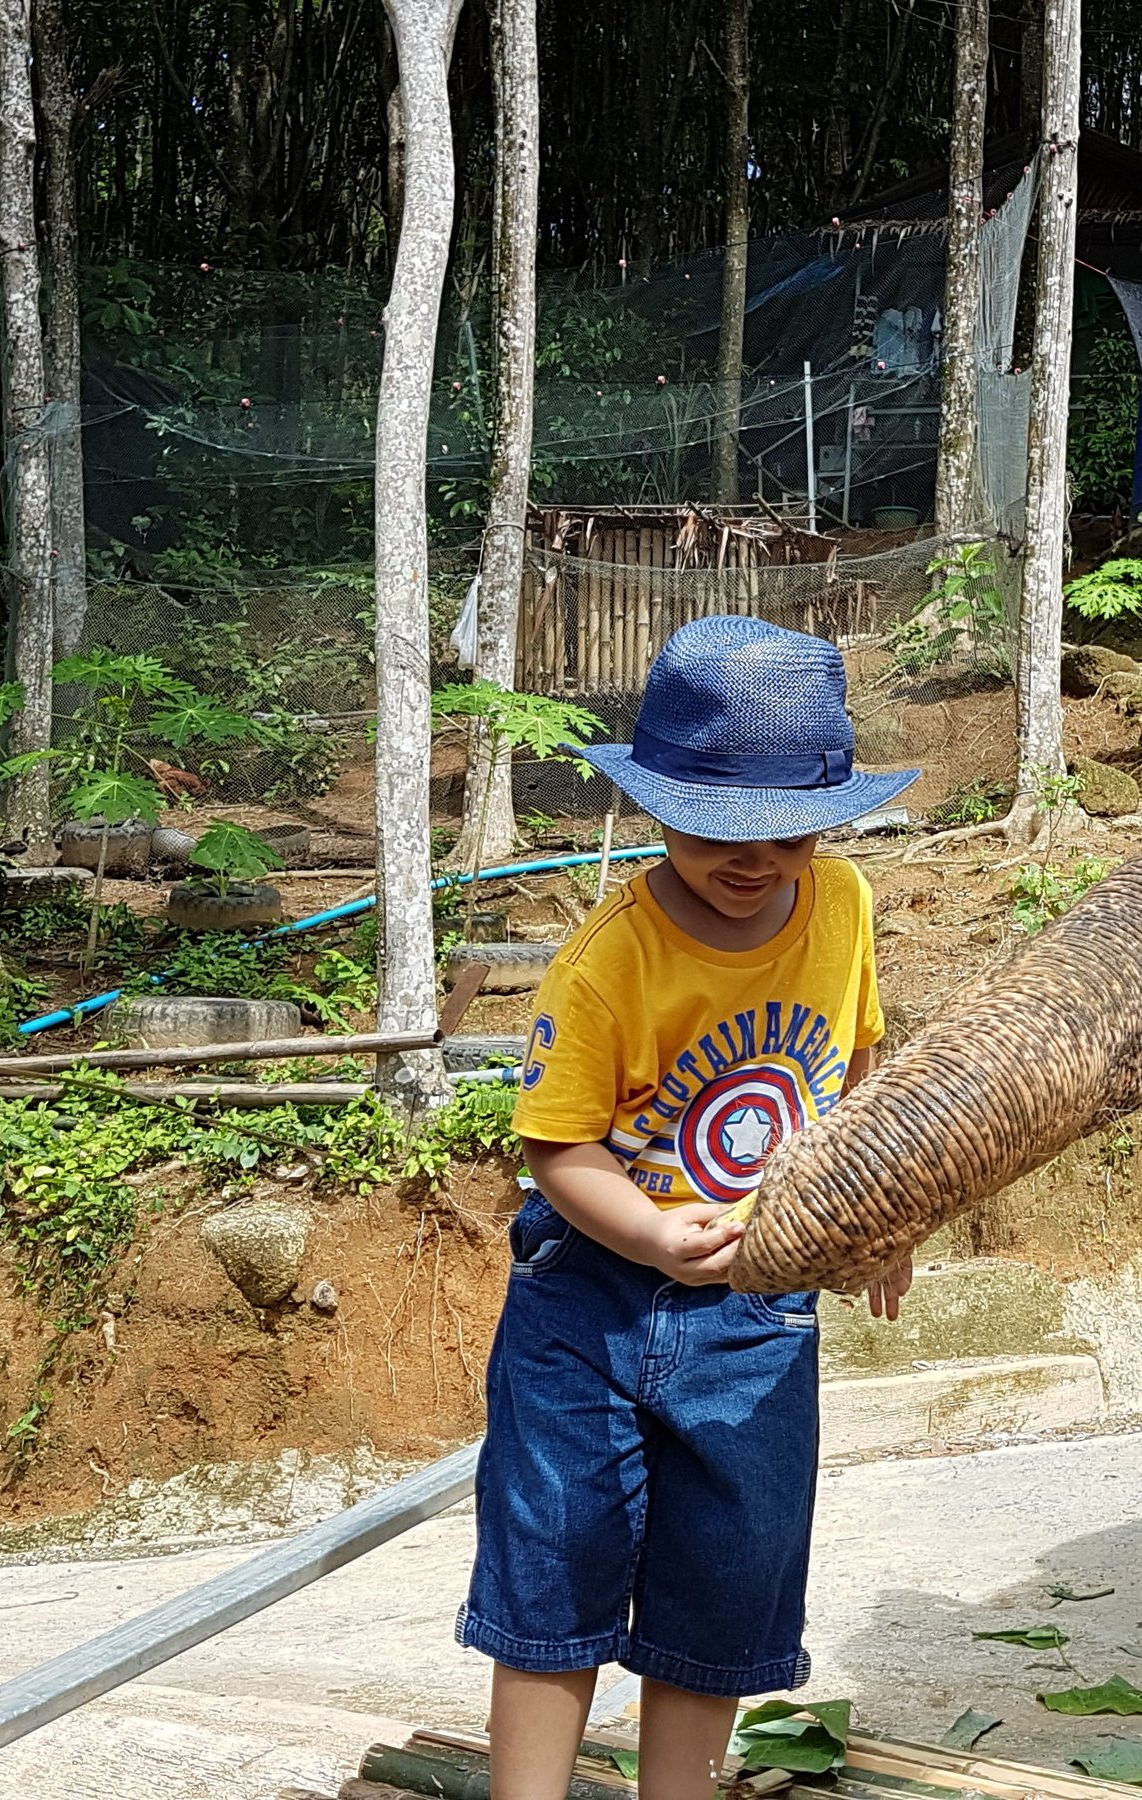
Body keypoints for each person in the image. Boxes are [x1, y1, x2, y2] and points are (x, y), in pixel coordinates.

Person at [459, 615, 920, 1800]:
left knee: (725, 1576)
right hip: (591, 1304)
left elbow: (860, 1074)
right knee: (551, 1573)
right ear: (657, 806)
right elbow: (555, 1147)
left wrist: (878, 1212)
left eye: (785, 830)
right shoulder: (611, 960)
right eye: (717, 827)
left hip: (760, 1311)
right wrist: (656, 1234)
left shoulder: (847, 909)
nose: (751, 858)